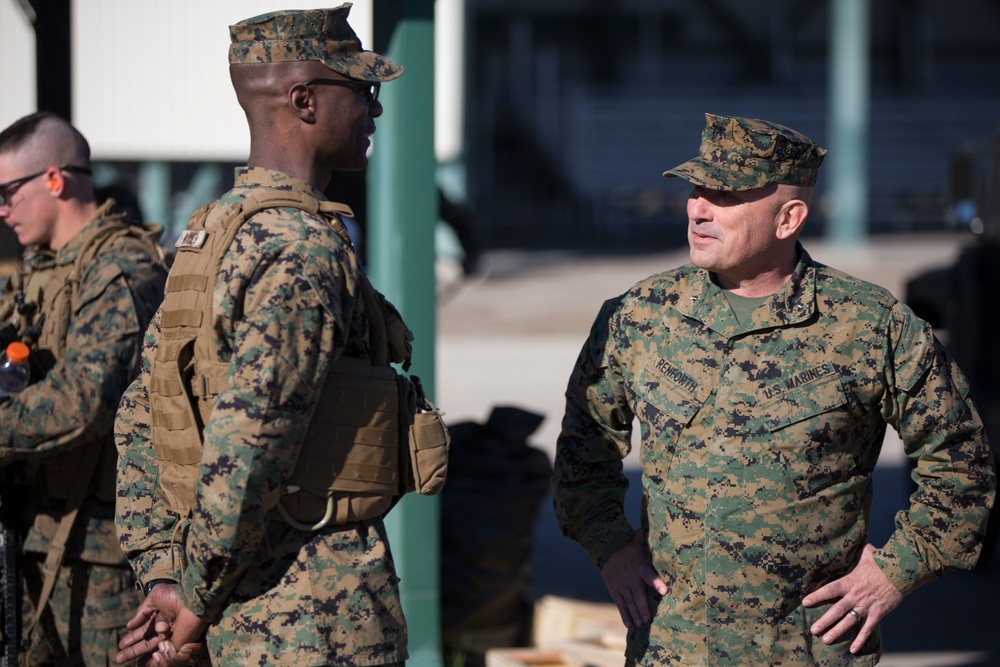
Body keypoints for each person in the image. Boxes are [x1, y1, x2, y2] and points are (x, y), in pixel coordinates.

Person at [552, 113, 996, 666]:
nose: (697, 208)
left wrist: (895, 572)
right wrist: (611, 547)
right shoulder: (639, 317)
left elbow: (962, 464)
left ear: (789, 218)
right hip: (674, 649)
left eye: (724, 195)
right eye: (695, 190)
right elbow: (581, 452)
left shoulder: (870, 325)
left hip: (807, 651)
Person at [113, 5, 447, 666]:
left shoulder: (209, 236)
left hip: (238, 614)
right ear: (303, 100)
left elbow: (139, 418)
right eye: (362, 89)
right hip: (307, 621)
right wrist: (189, 598)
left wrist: (163, 576)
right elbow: (250, 445)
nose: (374, 110)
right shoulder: (303, 251)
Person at [0, 111, 168, 665]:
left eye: (8, 192)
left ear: (55, 179)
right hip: (37, 538)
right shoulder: (39, 271)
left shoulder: (120, 270)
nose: (1, 210)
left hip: (104, 559)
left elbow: (81, 403)